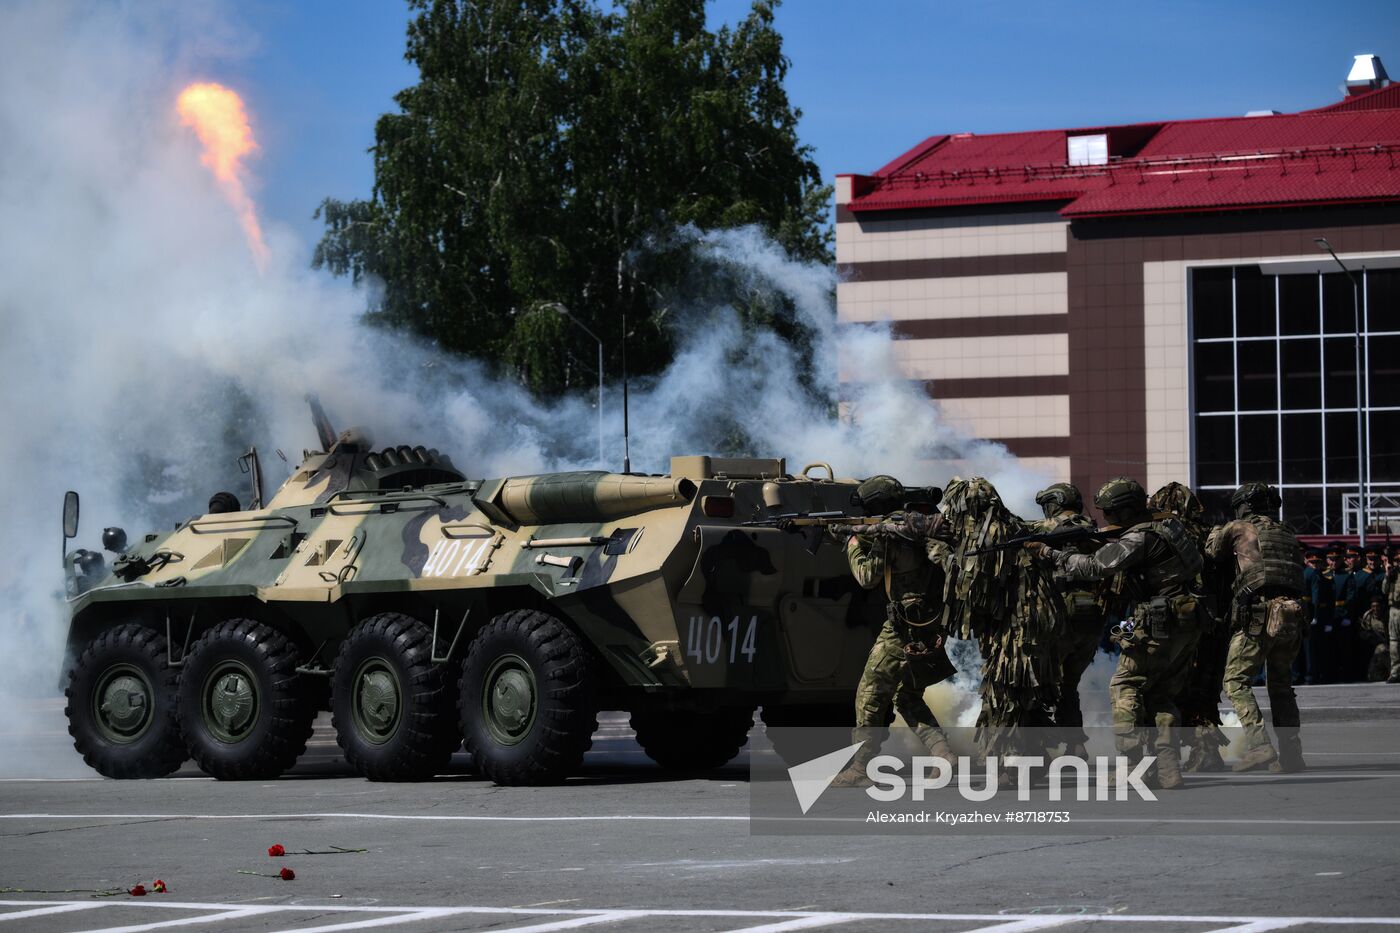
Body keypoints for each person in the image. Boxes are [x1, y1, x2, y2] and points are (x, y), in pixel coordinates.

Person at [1033, 477, 1202, 789]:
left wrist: (1050, 554)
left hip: (1158, 620)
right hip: (1188, 621)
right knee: (1162, 694)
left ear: (1124, 512)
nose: (1106, 518)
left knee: (1124, 687)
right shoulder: (1171, 526)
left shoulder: (1139, 537)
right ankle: (1167, 767)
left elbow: (1097, 567)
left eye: (1109, 513)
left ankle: (1133, 766)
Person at [825, 475, 956, 787]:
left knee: (870, 694)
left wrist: (853, 543)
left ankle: (859, 769)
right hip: (932, 621)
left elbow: (866, 576)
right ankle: (943, 753)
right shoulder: (920, 525)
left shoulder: (890, 532)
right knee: (906, 694)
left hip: (903, 626)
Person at [1208, 482, 1307, 772]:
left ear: (1244, 505)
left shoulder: (1239, 527)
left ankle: (1260, 746)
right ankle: (1292, 754)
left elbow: (1213, 553)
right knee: (1281, 687)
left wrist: (1215, 531)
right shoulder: (1287, 531)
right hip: (1291, 615)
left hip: (1259, 615)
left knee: (1235, 681)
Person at [1149, 481, 1228, 773]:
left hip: (1175, 623)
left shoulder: (1161, 533)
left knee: (1166, 689)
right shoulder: (1211, 535)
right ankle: (1206, 750)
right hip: (1212, 622)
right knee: (1204, 687)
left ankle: (1164, 755)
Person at [1030, 483, 1105, 758]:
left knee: (1041, 683)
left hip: (1061, 614)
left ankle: (1039, 749)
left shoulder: (1046, 527)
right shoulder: (1093, 529)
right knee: (1068, 684)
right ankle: (1076, 746)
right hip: (1092, 616)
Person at [1385, 545, 1400, 684]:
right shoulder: (1393, 574)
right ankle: (1395, 672)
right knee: (1394, 643)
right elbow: (1384, 590)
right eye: (1397, 560)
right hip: (1394, 610)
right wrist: (1388, 575)